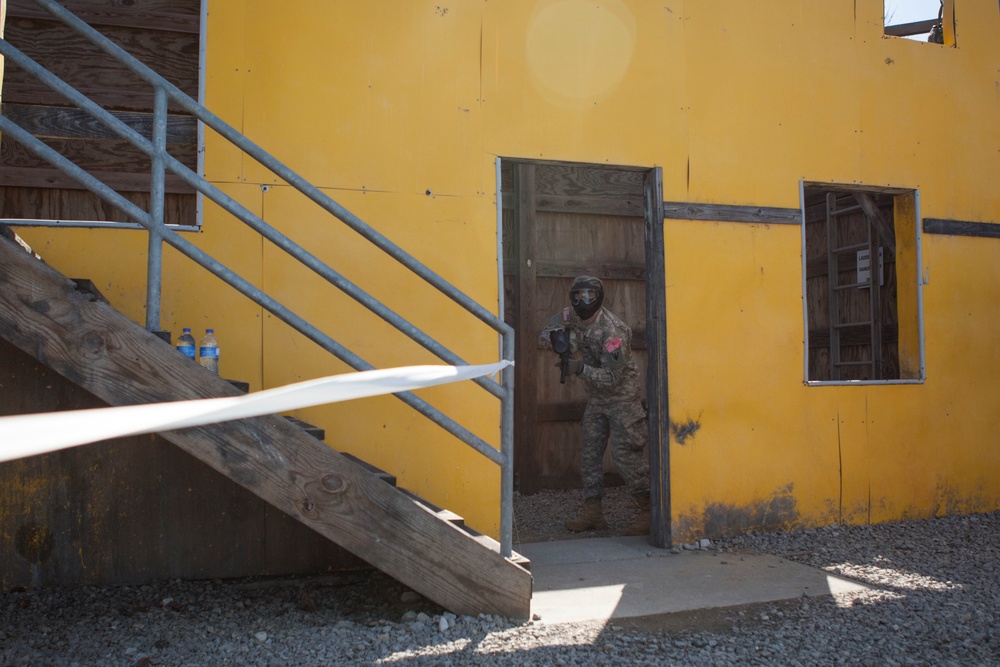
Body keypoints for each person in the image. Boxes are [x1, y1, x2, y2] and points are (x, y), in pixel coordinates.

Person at [539, 275, 650, 535]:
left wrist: (580, 368)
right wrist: (560, 342)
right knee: (589, 456)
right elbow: (545, 333)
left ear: (599, 296)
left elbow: (612, 378)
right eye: (578, 295)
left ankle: (649, 511)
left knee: (626, 458)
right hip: (597, 401)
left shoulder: (614, 331)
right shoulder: (571, 316)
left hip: (622, 400)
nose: (583, 301)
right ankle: (594, 513)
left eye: (589, 295)